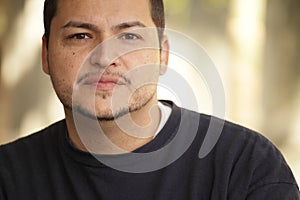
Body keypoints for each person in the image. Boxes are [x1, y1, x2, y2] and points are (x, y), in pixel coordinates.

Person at [0, 0, 299, 199]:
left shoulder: (244, 168)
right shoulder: (8, 177)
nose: (105, 57)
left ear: (163, 54)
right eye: (80, 36)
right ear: (45, 54)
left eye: (129, 37)